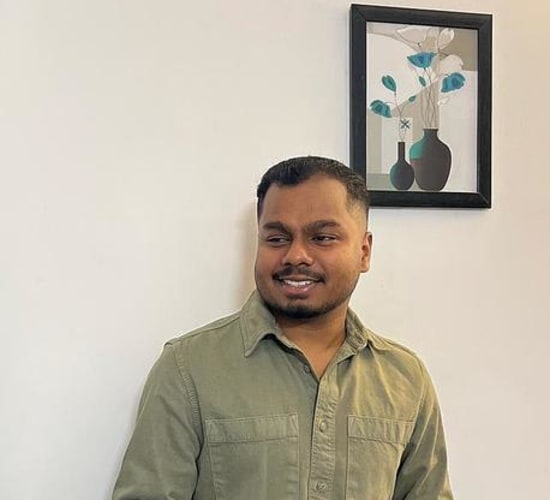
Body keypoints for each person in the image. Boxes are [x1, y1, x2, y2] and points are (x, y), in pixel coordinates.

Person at [112, 156, 453, 499]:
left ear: (364, 252)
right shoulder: (188, 369)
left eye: (322, 237)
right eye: (277, 239)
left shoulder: (405, 379)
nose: (296, 255)